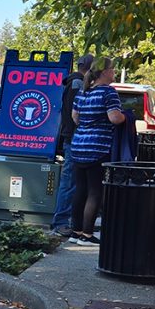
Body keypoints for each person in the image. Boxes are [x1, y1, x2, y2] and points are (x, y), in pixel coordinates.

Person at [68, 56, 126, 245]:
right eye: (112, 69)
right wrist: (127, 118)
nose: (114, 72)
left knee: (80, 190)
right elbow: (115, 118)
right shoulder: (108, 93)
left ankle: (75, 232)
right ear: (104, 72)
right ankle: (86, 234)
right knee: (95, 192)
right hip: (98, 147)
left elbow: (75, 118)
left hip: (78, 146)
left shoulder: (83, 93)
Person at [51, 53, 94, 236]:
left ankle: (66, 220)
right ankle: (61, 222)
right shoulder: (77, 85)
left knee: (72, 181)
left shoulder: (73, 82)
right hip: (73, 139)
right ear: (88, 68)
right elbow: (76, 115)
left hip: (71, 137)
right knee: (69, 182)